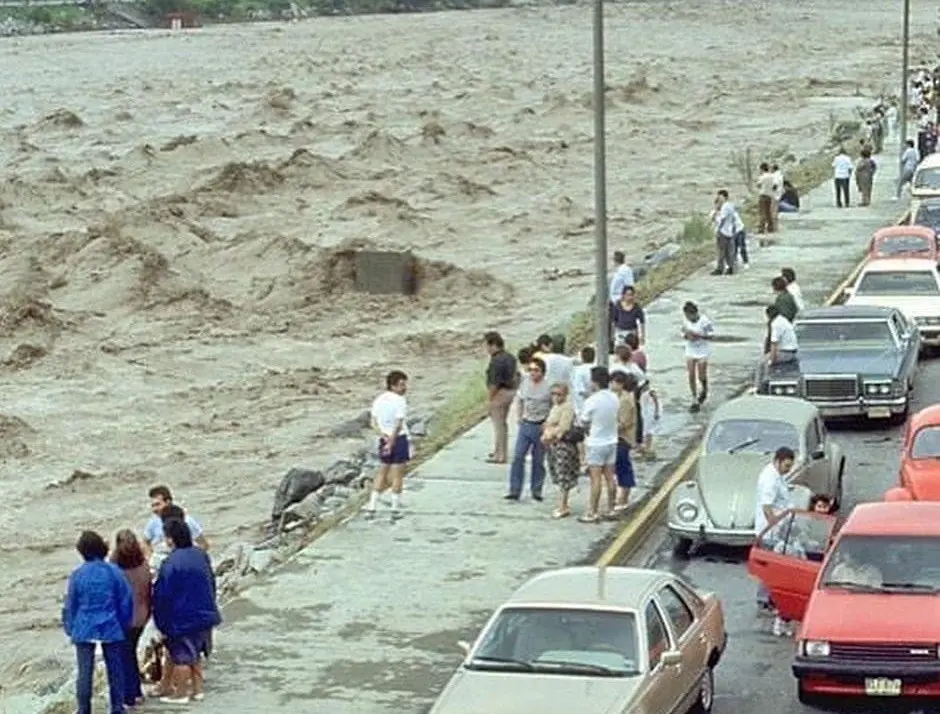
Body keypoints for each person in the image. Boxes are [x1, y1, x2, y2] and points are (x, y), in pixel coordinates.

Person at [62, 530, 134, 714]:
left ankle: (84, 709)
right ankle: (117, 707)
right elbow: (125, 601)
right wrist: (125, 625)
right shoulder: (114, 572)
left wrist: (70, 627)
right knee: (115, 670)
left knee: (84, 672)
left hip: (84, 626)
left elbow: (71, 603)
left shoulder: (78, 574)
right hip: (111, 625)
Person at [152, 518, 222, 704]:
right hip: (205, 613)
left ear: (170, 539)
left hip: (182, 618)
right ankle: (198, 691)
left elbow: (162, 596)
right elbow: (211, 582)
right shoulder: (201, 555)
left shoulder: (170, 563)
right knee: (196, 654)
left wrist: (161, 623)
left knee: (181, 656)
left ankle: (181, 693)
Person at [111, 529, 152, 709]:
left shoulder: (115, 570)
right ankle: (135, 692)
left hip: (124, 618)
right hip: (142, 616)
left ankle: (130, 695)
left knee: (125, 657)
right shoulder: (143, 565)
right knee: (130, 653)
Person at [754, 447, 796, 611]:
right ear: (777, 461)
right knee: (770, 566)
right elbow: (767, 507)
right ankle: (764, 599)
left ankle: (768, 597)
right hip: (770, 530)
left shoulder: (776, 475)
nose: (788, 470)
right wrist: (775, 527)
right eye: (786, 466)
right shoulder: (770, 479)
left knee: (773, 565)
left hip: (777, 527)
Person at [366, 369, 410, 520]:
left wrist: (383, 437)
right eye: (402, 385)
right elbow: (398, 424)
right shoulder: (400, 401)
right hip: (399, 440)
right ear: (393, 386)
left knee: (382, 472)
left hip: (383, 440)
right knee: (398, 475)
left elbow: (373, 422)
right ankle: (394, 508)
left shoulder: (379, 400)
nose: (405, 388)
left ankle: (372, 506)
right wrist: (392, 442)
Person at [506, 357, 552, 501]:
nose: (533, 373)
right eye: (530, 370)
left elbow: (553, 405)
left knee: (538, 460)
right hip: (526, 424)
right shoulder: (525, 383)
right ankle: (515, 489)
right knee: (518, 456)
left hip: (541, 425)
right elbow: (519, 399)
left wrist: (549, 423)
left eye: (536, 370)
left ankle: (536, 490)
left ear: (542, 372)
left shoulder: (548, 387)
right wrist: (519, 416)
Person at [579, 366, 620, 523]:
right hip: (612, 440)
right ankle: (611, 508)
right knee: (610, 477)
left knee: (595, 479)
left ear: (594, 382)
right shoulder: (614, 397)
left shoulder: (591, 401)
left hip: (596, 442)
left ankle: (593, 511)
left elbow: (584, 422)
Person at [541, 382, 580, 519]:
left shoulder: (567, 408)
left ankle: (562, 505)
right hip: (553, 446)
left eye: (559, 394)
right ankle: (563, 504)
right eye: (553, 394)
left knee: (563, 474)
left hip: (563, 446)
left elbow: (563, 428)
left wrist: (550, 434)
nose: (556, 397)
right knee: (556, 473)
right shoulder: (555, 407)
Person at [143, 486, 208, 561]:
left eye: (158, 504)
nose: (154, 509)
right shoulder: (153, 522)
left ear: (168, 502)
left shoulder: (187, 521)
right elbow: (145, 542)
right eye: (152, 506)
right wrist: (151, 558)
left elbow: (203, 545)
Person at [484, 331, 518, 464]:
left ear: (493, 345)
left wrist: (489, 399)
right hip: (511, 391)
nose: (486, 349)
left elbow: (493, 383)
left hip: (500, 393)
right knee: (503, 424)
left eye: (487, 346)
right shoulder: (510, 357)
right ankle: (499, 451)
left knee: (498, 425)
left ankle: (500, 455)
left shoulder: (496, 361)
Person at [610, 371, 638, 513]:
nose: (611, 385)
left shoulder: (625, 400)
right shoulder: (618, 397)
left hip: (623, 438)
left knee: (622, 467)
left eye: (613, 382)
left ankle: (623, 498)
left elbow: (624, 423)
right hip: (617, 437)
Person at [681, 301, 714, 413]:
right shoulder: (686, 321)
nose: (688, 318)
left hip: (702, 350)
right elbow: (684, 332)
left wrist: (698, 335)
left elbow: (711, 336)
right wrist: (687, 336)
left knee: (701, 374)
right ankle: (694, 398)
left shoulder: (704, 321)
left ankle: (704, 388)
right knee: (691, 374)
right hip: (691, 349)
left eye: (689, 315)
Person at [709, 189, 739, 275]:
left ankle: (720, 268)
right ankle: (730, 267)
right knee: (729, 251)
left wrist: (716, 215)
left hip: (723, 231)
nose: (718, 199)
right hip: (730, 231)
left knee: (721, 251)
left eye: (720, 197)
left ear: (724, 197)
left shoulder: (725, 207)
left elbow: (721, 219)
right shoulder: (730, 206)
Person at [755, 162, 777, 233]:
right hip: (769, 196)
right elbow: (775, 186)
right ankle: (771, 227)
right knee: (768, 212)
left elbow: (758, 185)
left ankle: (761, 228)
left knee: (762, 213)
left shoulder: (762, 177)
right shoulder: (772, 176)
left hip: (763, 195)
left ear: (762, 169)